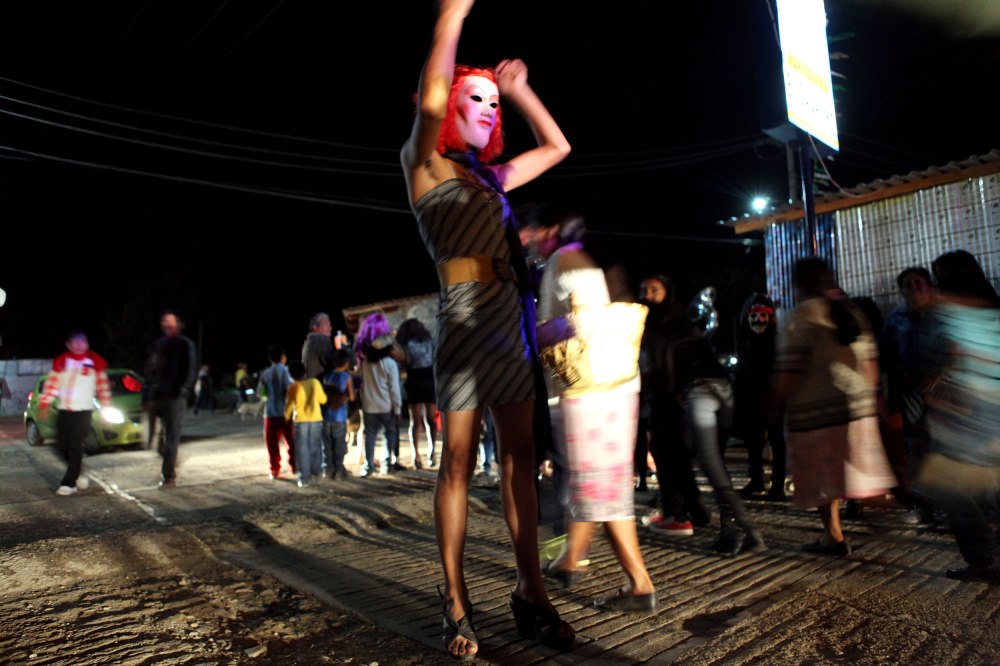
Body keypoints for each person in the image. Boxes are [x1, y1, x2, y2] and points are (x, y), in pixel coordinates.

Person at [400, 0, 574, 657]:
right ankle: (454, 600)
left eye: (490, 104)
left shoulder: (493, 177)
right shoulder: (425, 164)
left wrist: (520, 91)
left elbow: (558, 147)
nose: (487, 107)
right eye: (476, 98)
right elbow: (430, 105)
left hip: (512, 325)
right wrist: (450, 16)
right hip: (466, 318)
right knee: (459, 463)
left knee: (521, 463)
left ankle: (531, 591)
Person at [524, 204, 658, 612]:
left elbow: (586, 321)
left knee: (602, 488)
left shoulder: (567, 261)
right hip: (600, 387)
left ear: (548, 230)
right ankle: (569, 559)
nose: (525, 241)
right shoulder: (572, 259)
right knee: (593, 484)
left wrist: (532, 332)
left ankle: (640, 584)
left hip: (593, 389)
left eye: (528, 233)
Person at [770, 257, 896, 555]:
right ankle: (842, 534)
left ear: (798, 283)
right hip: (856, 408)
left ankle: (837, 535)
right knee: (852, 475)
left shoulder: (803, 314)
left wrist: (776, 399)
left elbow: (791, 367)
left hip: (817, 414)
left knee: (824, 481)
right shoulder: (848, 309)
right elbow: (870, 360)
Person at [914, 250, 1000, 584]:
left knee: (956, 492)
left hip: (966, 416)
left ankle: (983, 559)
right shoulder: (993, 308)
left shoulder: (951, 312)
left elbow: (954, 358)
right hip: (991, 412)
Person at [881, 266, 937, 525]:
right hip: (911, 393)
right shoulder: (895, 320)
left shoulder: (941, 315)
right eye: (908, 284)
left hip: (944, 392)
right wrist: (901, 378)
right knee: (917, 448)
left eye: (919, 282)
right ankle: (924, 506)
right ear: (901, 290)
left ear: (929, 285)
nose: (914, 288)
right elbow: (885, 357)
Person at [38, 329, 112, 496]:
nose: (79, 345)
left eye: (82, 341)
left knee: (74, 446)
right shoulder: (62, 362)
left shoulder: (94, 362)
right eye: (75, 342)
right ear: (68, 345)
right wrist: (44, 404)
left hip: (83, 411)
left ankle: (69, 483)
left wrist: (105, 408)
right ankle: (79, 470)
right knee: (60, 445)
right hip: (64, 410)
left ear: (87, 343)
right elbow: (51, 385)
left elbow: (103, 387)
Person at [735, 293, 787, 501]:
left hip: (772, 397)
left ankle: (778, 484)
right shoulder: (746, 341)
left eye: (763, 315)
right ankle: (757, 479)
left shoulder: (776, 340)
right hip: (751, 396)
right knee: (753, 441)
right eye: (754, 315)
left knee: (776, 440)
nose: (758, 319)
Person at [142, 310, 197, 489]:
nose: (168, 325)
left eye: (171, 322)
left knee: (172, 437)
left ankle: (168, 477)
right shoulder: (158, 344)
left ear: (178, 324)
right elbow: (150, 370)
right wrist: (146, 395)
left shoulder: (185, 344)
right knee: (157, 440)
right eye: (165, 321)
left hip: (175, 397)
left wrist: (182, 391)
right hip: (157, 396)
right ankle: (170, 459)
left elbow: (190, 369)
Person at [356, 313, 402, 477]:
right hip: (386, 406)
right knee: (388, 434)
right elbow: (394, 390)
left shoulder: (364, 364)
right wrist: (397, 410)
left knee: (370, 436)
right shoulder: (390, 364)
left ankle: (368, 467)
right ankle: (386, 464)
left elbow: (360, 383)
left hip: (369, 405)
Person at [396, 317, 438, 469]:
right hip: (429, 381)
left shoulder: (406, 345)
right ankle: (432, 452)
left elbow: (403, 363)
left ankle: (416, 455)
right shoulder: (429, 341)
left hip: (414, 382)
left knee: (416, 421)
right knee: (431, 420)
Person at [284, 359, 327, 487]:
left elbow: (289, 406)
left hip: (300, 421)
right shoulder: (314, 383)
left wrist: (286, 417)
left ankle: (305, 478)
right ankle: (317, 472)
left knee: (302, 450)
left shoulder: (293, 387)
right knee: (315, 447)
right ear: (304, 371)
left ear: (291, 375)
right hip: (315, 419)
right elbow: (323, 400)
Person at [257, 344, 295, 480]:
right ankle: (294, 467)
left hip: (270, 413)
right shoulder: (285, 371)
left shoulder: (265, 373)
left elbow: (260, 393)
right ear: (283, 358)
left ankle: (274, 469)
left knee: (272, 444)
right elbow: (290, 389)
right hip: (285, 412)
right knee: (291, 441)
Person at [321, 348, 356, 480]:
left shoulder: (327, 376)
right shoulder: (347, 377)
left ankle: (328, 471)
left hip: (325, 416)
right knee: (339, 446)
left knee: (327, 445)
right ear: (346, 363)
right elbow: (352, 397)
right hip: (339, 417)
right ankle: (339, 472)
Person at [302, 312, 334, 380]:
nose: (330, 328)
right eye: (326, 324)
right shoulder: (321, 339)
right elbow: (332, 363)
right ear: (315, 328)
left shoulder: (308, 342)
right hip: (321, 386)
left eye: (330, 325)